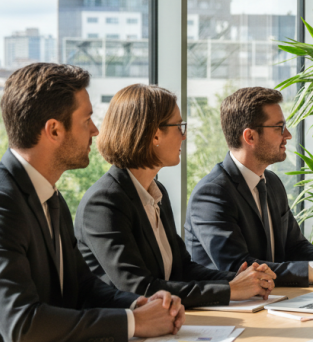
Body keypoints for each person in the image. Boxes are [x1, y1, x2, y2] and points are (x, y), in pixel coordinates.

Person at [0, 63, 184, 342]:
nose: (96, 130)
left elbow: (83, 287)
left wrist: (138, 304)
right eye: (86, 120)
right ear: (54, 130)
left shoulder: (48, 195)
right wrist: (133, 322)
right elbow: (23, 324)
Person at [75, 84, 277, 309]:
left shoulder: (156, 192)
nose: (184, 136)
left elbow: (182, 268)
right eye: (179, 127)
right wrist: (231, 290)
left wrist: (239, 279)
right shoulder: (104, 202)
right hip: (129, 333)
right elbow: (140, 288)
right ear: (154, 134)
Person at [185, 86, 313, 285]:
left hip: (276, 299)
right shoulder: (212, 194)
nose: (288, 135)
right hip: (234, 310)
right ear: (250, 136)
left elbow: (296, 247)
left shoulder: (272, 183)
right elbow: (238, 267)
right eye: (279, 128)